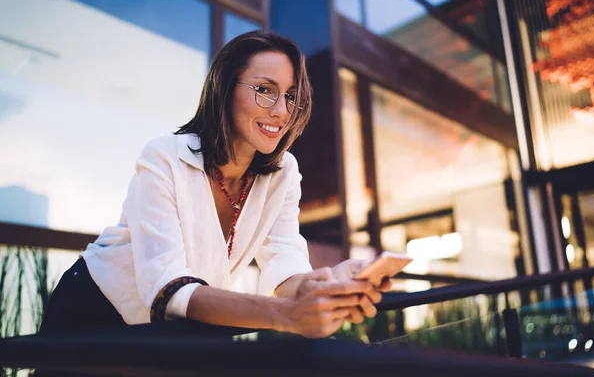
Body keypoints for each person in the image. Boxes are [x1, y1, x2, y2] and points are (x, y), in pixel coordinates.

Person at [40, 30, 389, 339]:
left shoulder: (283, 173)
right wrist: (286, 316)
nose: (281, 110)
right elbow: (168, 288)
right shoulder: (164, 156)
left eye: (291, 96)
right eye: (265, 90)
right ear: (224, 88)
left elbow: (285, 266)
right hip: (93, 308)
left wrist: (328, 282)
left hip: (171, 326)